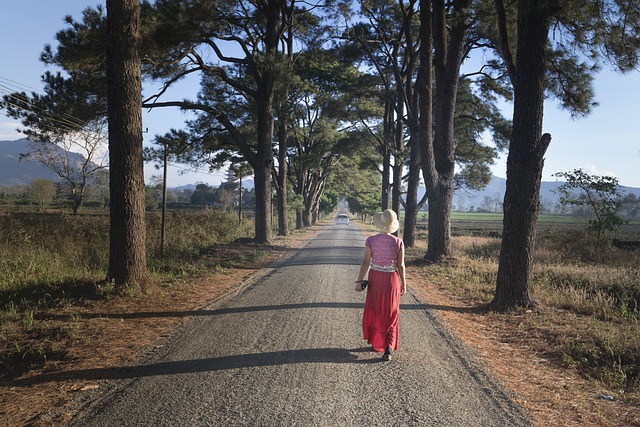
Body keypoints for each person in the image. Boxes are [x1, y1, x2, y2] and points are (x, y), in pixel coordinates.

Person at [355, 209, 407, 361]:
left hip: (375, 278)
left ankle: (379, 340)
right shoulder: (398, 242)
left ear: (379, 223)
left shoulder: (370, 241)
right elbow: (401, 265)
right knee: (391, 312)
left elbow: (365, 262)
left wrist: (359, 281)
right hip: (392, 279)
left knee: (377, 310)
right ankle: (388, 347)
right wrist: (404, 283)